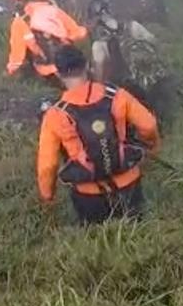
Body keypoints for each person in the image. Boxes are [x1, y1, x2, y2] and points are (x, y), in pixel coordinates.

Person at [36, 45, 160, 224]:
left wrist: (47, 196)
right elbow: (148, 126)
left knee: (98, 241)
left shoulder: (55, 114)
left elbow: (47, 166)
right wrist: (153, 148)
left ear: (59, 75)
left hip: (88, 195)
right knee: (141, 234)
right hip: (129, 184)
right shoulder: (117, 95)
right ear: (87, 66)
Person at [7, 0, 87, 81]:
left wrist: (10, 73)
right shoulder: (53, 10)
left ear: (18, 0)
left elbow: (17, 56)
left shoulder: (19, 22)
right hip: (71, 62)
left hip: (47, 71)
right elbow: (78, 33)